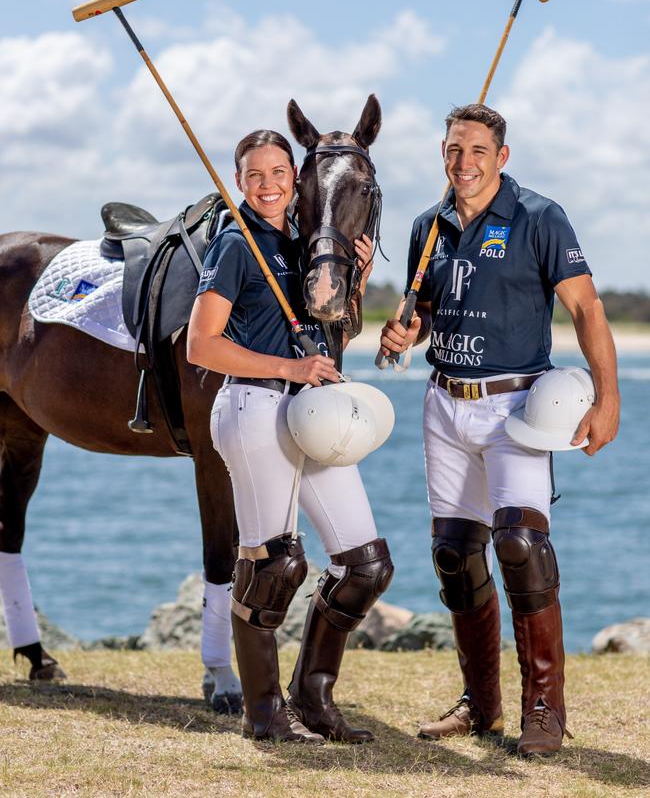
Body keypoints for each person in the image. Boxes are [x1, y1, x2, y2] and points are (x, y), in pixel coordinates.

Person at [379, 103, 619, 756]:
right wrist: (404, 331)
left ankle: (544, 709)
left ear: (502, 156)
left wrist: (608, 398)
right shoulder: (427, 226)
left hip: (518, 406)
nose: (465, 162)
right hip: (445, 403)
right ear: (442, 152)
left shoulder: (540, 218)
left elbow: (588, 309)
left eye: (478, 150)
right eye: (455, 149)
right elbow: (424, 309)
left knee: (521, 545)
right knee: (456, 556)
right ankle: (480, 706)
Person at [187, 129, 393, 744]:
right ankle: (262, 714)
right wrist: (289, 368)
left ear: (297, 180)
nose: (271, 185)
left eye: (281, 173)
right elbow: (203, 345)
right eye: (256, 175)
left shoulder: (302, 245)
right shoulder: (236, 243)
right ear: (240, 181)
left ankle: (312, 696)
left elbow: (327, 342)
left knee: (365, 563)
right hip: (253, 412)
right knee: (274, 564)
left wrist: (353, 282)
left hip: (313, 412)